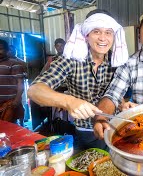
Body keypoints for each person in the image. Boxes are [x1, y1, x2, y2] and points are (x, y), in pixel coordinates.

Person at [27, 9, 129, 150]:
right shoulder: (71, 59)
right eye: (96, 31)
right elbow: (34, 91)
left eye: (108, 32)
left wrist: (123, 103)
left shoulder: (117, 60)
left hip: (115, 125)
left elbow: (115, 91)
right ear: (86, 34)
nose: (103, 38)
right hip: (86, 130)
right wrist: (69, 101)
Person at [0, 39, 25, 126]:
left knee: (9, 128)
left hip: (8, 104)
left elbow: (20, 83)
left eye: (1, 49)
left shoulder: (14, 64)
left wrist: (16, 101)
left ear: (7, 50)